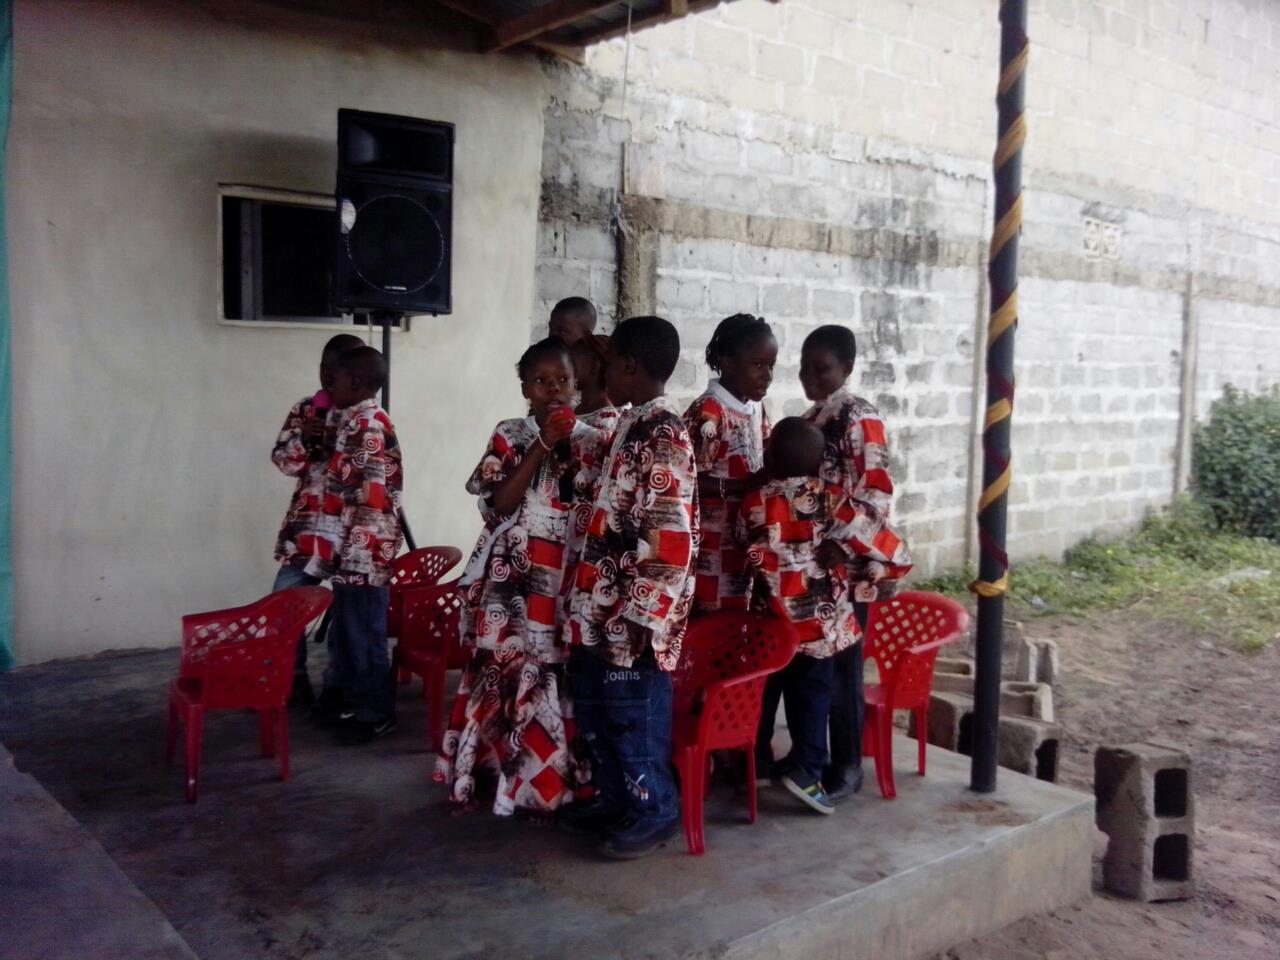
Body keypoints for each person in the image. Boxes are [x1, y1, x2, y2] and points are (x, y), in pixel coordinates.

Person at [434, 337, 605, 817]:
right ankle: (495, 775)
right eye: (540, 381)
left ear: (577, 384)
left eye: (562, 380)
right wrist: (543, 443)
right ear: (525, 388)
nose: (553, 389)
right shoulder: (509, 434)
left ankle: (548, 786)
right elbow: (498, 504)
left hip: (564, 579)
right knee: (503, 669)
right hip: (512, 580)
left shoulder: (593, 438)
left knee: (556, 673)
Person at [563, 315, 699, 860]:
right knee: (599, 713)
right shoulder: (632, 424)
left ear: (627, 365)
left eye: (606, 366)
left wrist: (647, 613)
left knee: (633, 718)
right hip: (600, 607)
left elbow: (671, 536)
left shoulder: (665, 434)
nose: (600, 377)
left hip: (633, 619)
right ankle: (616, 799)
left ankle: (654, 811)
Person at [738, 418, 911, 813]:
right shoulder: (833, 500)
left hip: (771, 622)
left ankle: (758, 762)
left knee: (768, 690)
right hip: (818, 624)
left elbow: (743, 542)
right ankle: (806, 768)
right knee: (813, 694)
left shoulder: (753, 502)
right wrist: (853, 556)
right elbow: (892, 549)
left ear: (770, 457)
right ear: (820, 464)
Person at [799, 324, 897, 800]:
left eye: (821, 369)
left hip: (851, 569)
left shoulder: (860, 416)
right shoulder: (812, 417)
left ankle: (849, 765)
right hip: (818, 569)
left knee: (844, 668)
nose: (809, 378)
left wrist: (845, 544)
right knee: (818, 665)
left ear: (847, 368)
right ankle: (811, 759)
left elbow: (876, 492)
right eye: (804, 369)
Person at [313, 346, 405, 745]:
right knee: (350, 633)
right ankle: (352, 702)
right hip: (352, 549)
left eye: (334, 379)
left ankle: (376, 713)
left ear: (353, 382)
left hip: (364, 551)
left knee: (367, 636)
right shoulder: (352, 419)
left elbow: (372, 495)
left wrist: (352, 551)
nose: (329, 385)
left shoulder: (368, 425)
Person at [270, 332, 364, 707]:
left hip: (349, 536)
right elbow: (284, 462)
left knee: (348, 616)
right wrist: (303, 442)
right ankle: (292, 681)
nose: (327, 376)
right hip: (306, 533)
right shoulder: (306, 409)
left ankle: (338, 688)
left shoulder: (365, 416)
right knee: (284, 608)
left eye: (336, 370)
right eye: (324, 368)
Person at [683, 313, 776, 613]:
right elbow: (688, 481)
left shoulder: (756, 408)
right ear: (727, 363)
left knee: (740, 616)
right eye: (757, 365)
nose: (767, 375)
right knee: (712, 619)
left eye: (771, 365)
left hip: (743, 542)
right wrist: (743, 486)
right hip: (711, 545)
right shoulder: (709, 412)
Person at [572, 334, 622, 435]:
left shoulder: (607, 422)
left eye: (573, 360)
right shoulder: (574, 406)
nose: (566, 367)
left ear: (594, 366)